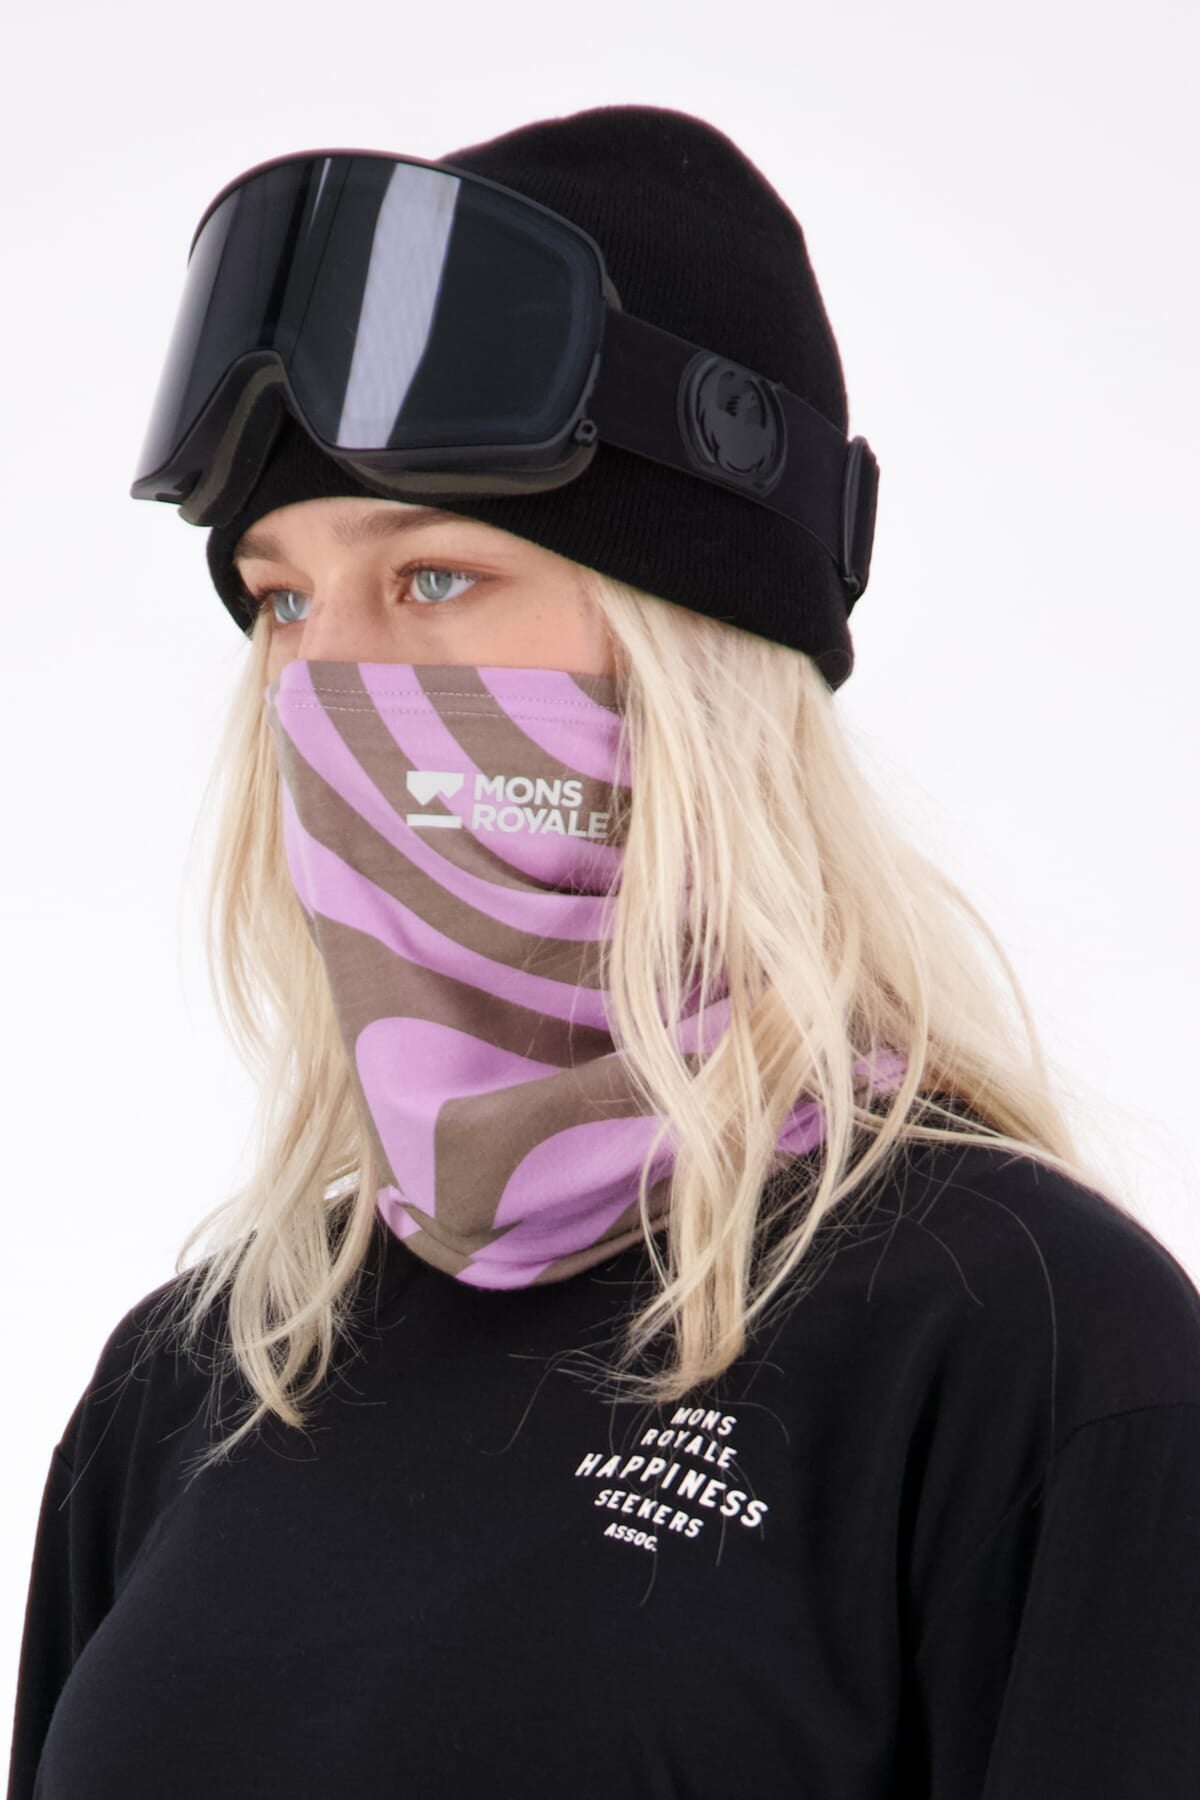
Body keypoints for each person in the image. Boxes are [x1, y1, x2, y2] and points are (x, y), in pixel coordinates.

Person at [7, 104, 1200, 1800]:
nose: (324, 689)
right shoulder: (200, 1380)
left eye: (435, 580)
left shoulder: (1027, 1354)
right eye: (281, 600)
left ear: (693, 660)